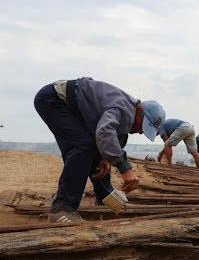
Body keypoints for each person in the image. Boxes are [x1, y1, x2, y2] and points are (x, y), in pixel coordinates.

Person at [34, 77, 166, 223]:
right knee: (82, 146)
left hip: (70, 107)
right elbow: (104, 133)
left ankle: (104, 198)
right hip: (54, 100)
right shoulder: (123, 108)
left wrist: (105, 158)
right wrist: (125, 169)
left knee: (92, 148)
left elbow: (113, 138)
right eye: (143, 125)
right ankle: (62, 208)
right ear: (139, 109)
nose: (141, 131)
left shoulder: (128, 113)